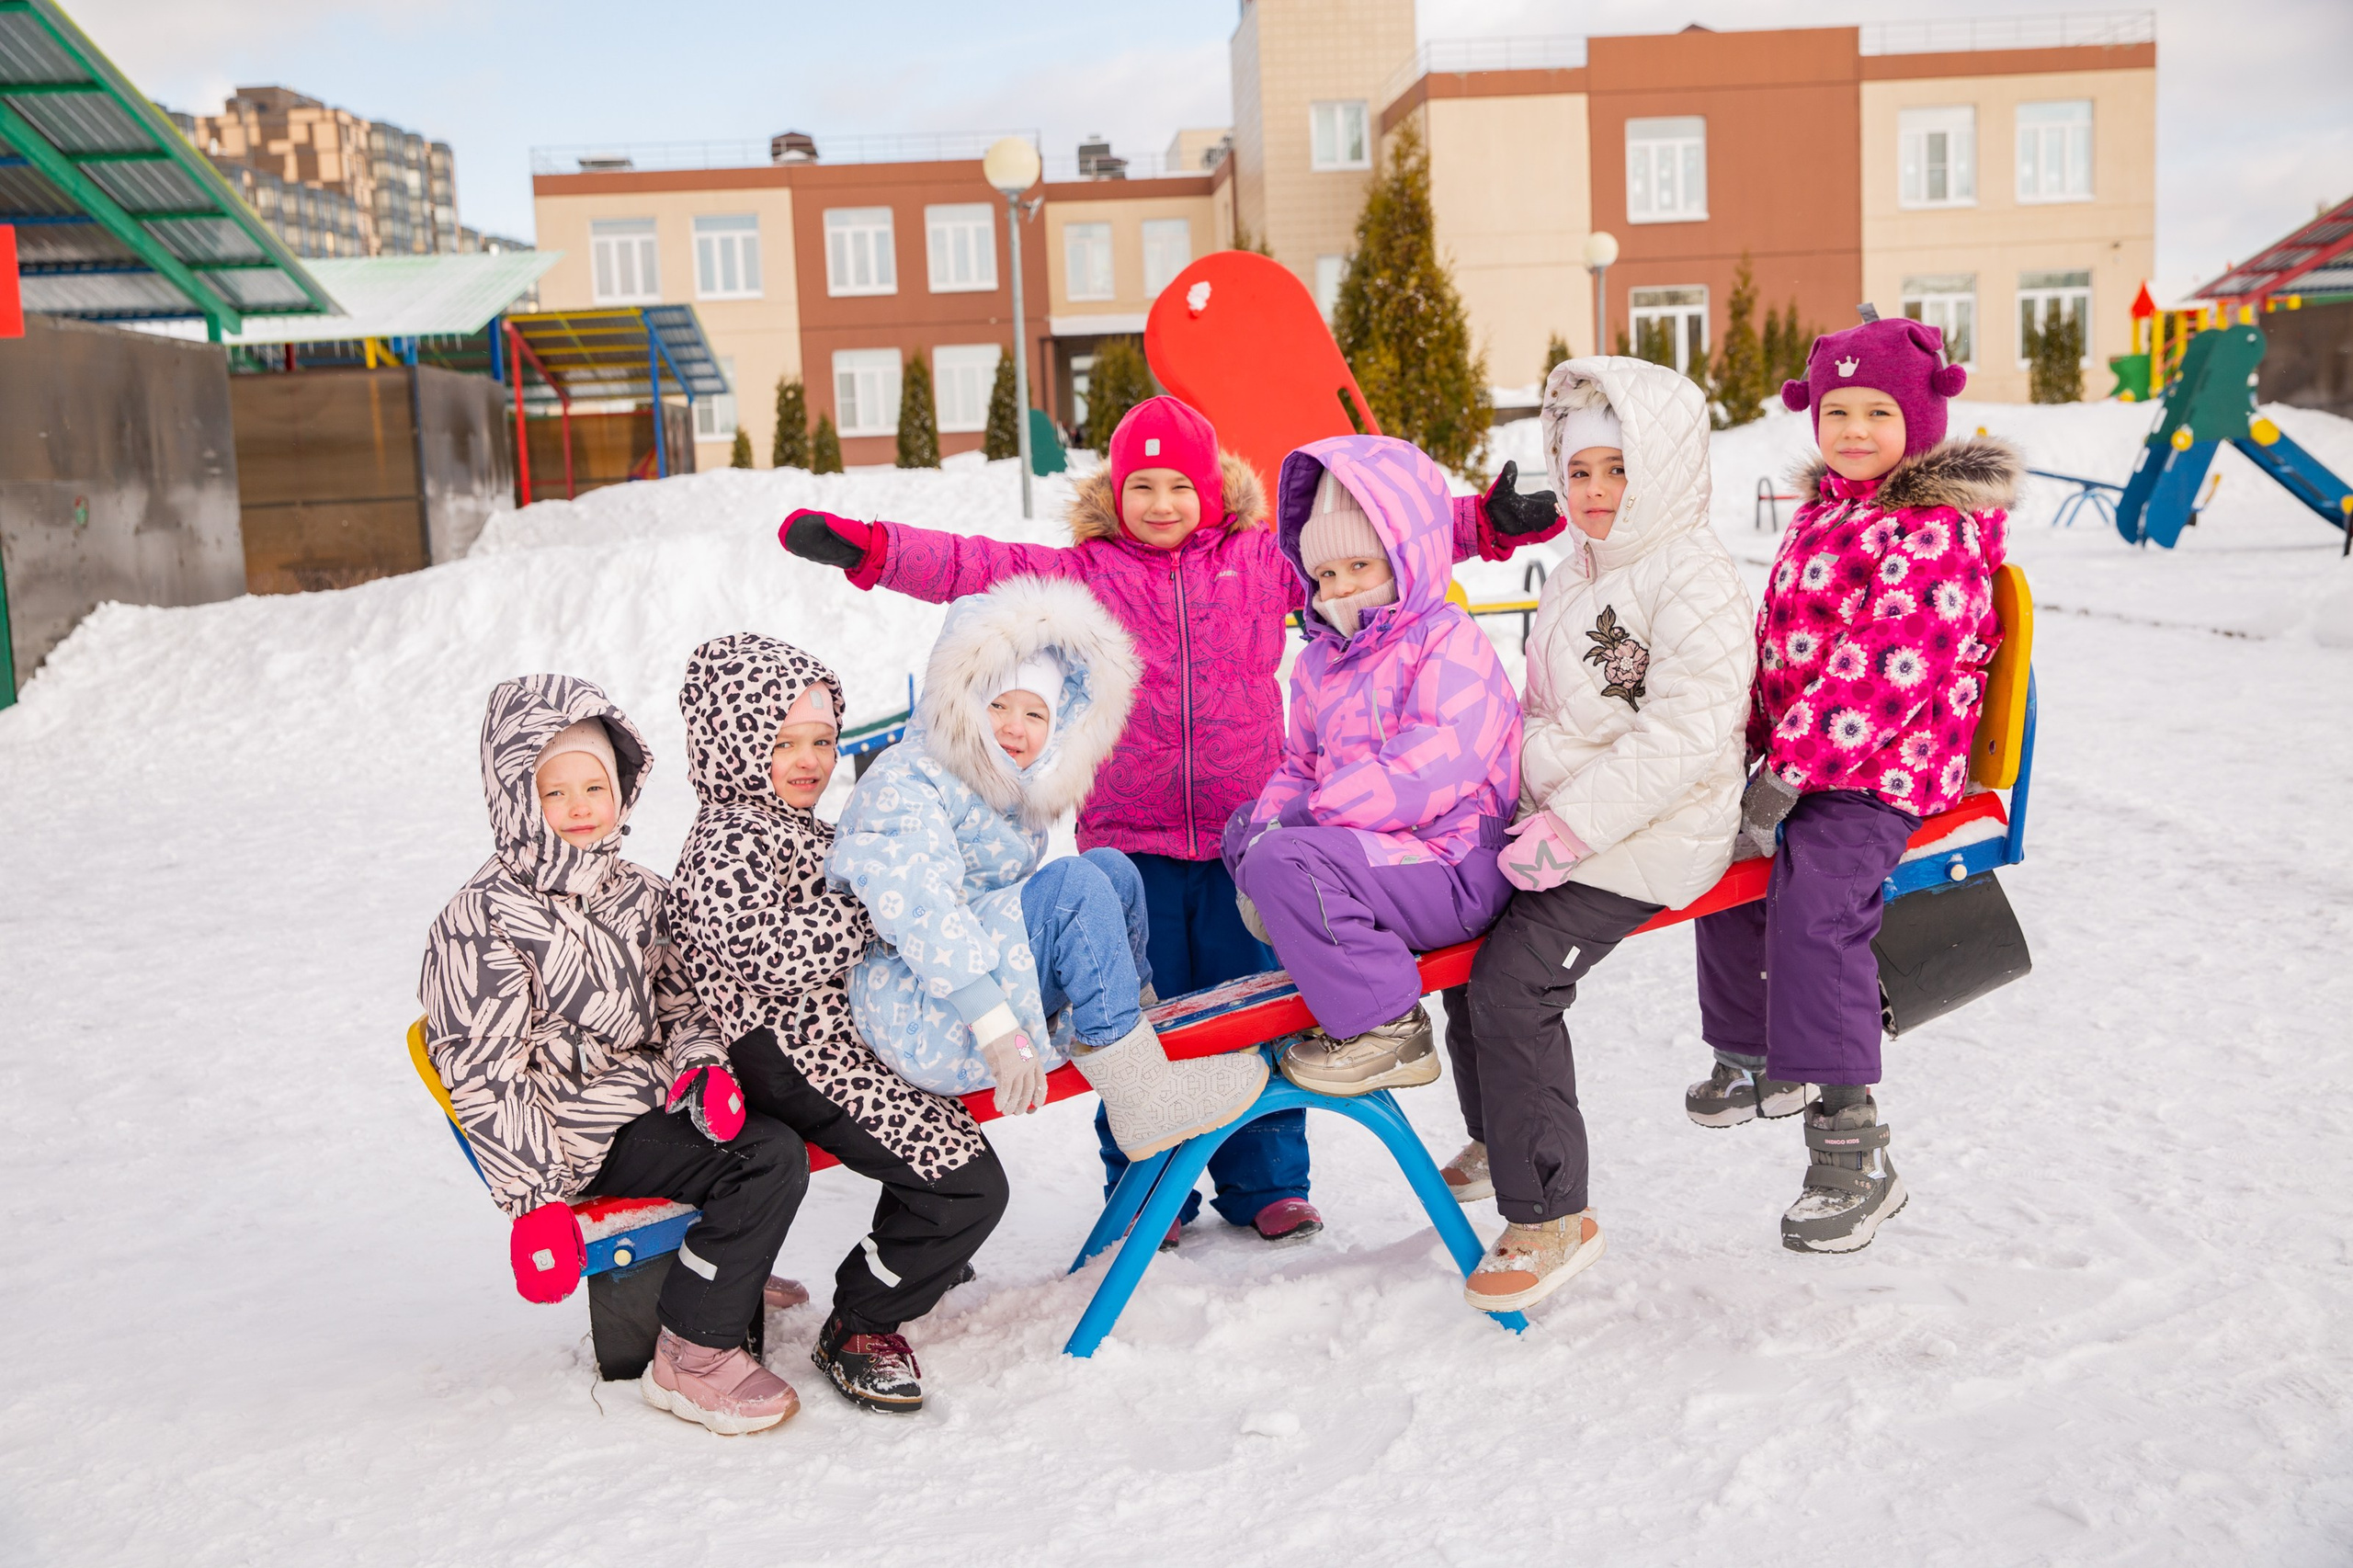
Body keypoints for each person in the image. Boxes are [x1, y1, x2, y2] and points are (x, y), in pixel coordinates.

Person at [780, 397, 1563, 1246]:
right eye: (1141, 487)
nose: (1160, 504)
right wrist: (877, 550)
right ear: (1115, 494)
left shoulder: (1261, 561)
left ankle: (1269, 1183)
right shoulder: (1089, 575)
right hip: (1131, 840)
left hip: (1246, 840)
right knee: (1134, 1016)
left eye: (1179, 486)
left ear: (1212, 489)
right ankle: (1149, 1188)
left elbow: (1375, 539)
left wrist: (1486, 524)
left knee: (1262, 1008)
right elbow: (977, 565)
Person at [1696, 312, 2019, 1254]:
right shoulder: (1824, 513)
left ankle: (1852, 1146)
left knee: (1818, 901)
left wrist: (1785, 774)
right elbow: (1780, 650)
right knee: (1718, 855)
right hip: (1817, 753)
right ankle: (1754, 1052)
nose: (1853, 430)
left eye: (1878, 412)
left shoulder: (1933, 529)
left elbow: (1881, 675)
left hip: (1892, 761)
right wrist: (1730, 752)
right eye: (1837, 411)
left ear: (1920, 419)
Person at [1443, 358, 1755, 1314]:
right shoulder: (1578, 572)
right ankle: (1502, 1130)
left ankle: (1550, 1214)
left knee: (1517, 979)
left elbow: (1684, 735)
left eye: (1618, 469)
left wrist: (1570, 828)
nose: (1594, 490)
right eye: (1577, 471)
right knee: (1462, 945)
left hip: (1658, 829)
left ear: (1662, 469)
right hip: (1569, 817)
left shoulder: (1693, 574)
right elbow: (1552, 713)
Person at [419, 676, 807, 1437]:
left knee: (778, 1099)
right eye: (554, 792)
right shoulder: (480, 920)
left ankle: (723, 1269)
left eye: (594, 786)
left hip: (649, 1093)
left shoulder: (638, 891)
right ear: (516, 799)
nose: (579, 807)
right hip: (574, 1133)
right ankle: (693, 1353)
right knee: (766, 1159)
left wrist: (703, 1065)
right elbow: (485, 1073)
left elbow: (682, 997)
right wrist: (535, 1203)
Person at [668, 633, 1007, 1416]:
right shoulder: (728, 842)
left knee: (947, 1159)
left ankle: (914, 1259)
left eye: (823, 741)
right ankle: (862, 1322)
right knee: (967, 1186)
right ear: (731, 744)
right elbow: (771, 956)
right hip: (791, 1052)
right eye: (783, 743)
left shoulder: (799, 828)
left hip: (840, 1041)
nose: (810, 761)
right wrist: (873, 906)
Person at [827, 575, 1267, 1176]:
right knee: (1071, 890)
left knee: (1110, 869)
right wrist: (994, 1023)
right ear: (958, 702)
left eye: (1035, 713)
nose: (1015, 726)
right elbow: (918, 908)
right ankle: (1140, 1093)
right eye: (997, 705)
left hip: (973, 988)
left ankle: (1138, 1041)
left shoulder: (1007, 791)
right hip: (926, 1012)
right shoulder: (909, 778)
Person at [1222, 436, 1519, 1107]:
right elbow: (1300, 765)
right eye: (1325, 574)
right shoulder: (1319, 661)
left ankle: (1390, 1026)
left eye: (1360, 564)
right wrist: (1269, 822)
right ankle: (1333, 953)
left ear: (1403, 557)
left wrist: (1307, 819)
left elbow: (1430, 767)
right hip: (1382, 854)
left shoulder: (1448, 639)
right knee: (1247, 833)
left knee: (1285, 860)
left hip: (1453, 861)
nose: (1341, 587)